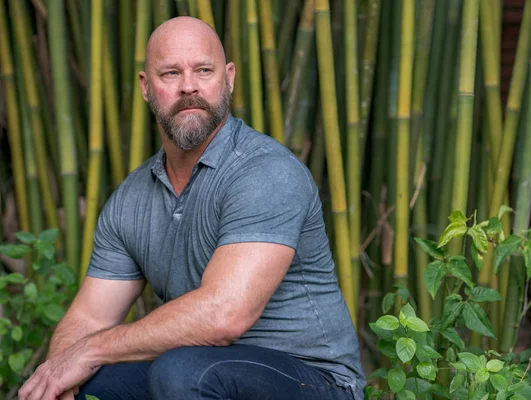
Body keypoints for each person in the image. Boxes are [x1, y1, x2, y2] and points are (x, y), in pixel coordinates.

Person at [18, 16, 365, 400]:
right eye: (170, 73)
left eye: (203, 70)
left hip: (315, 381)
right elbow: (90, 317)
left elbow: (224, 316)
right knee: (91, 385)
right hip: (204, 369)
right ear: (146, 88)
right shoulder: (132, 199)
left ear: (228, 78)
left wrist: (91, 349)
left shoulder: (266, 172)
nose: (189, 86)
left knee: (182, 372)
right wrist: (58, 376)